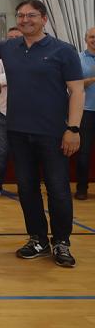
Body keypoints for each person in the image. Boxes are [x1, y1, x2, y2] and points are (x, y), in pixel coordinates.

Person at [0, 0, 84, 267]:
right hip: (18, 132)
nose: (25, 20)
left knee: (58, 190)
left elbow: (77, 91)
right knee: (27, 189)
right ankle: (38, 239)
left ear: (44, 19)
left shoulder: (63, 50)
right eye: (20, 15)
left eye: (31, 15)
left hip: (53, 133)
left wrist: (73, 128)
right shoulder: (8, 48)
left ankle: (62, 242)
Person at [0, 26, 23, 199]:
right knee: (1, 152)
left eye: (17, 37)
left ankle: (26, 187)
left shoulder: (31, 56)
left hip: (28, 114)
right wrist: (18, 73)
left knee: (25, 153)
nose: (13, 40)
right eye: (10, 37)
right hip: (5, 113)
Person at [75, 26, 95, 200]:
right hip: (86, 111)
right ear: (85, 39)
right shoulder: (78, 59)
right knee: (84, 153)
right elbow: (74, 85)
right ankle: (82, 188)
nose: (94, 40)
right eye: (92, 37)